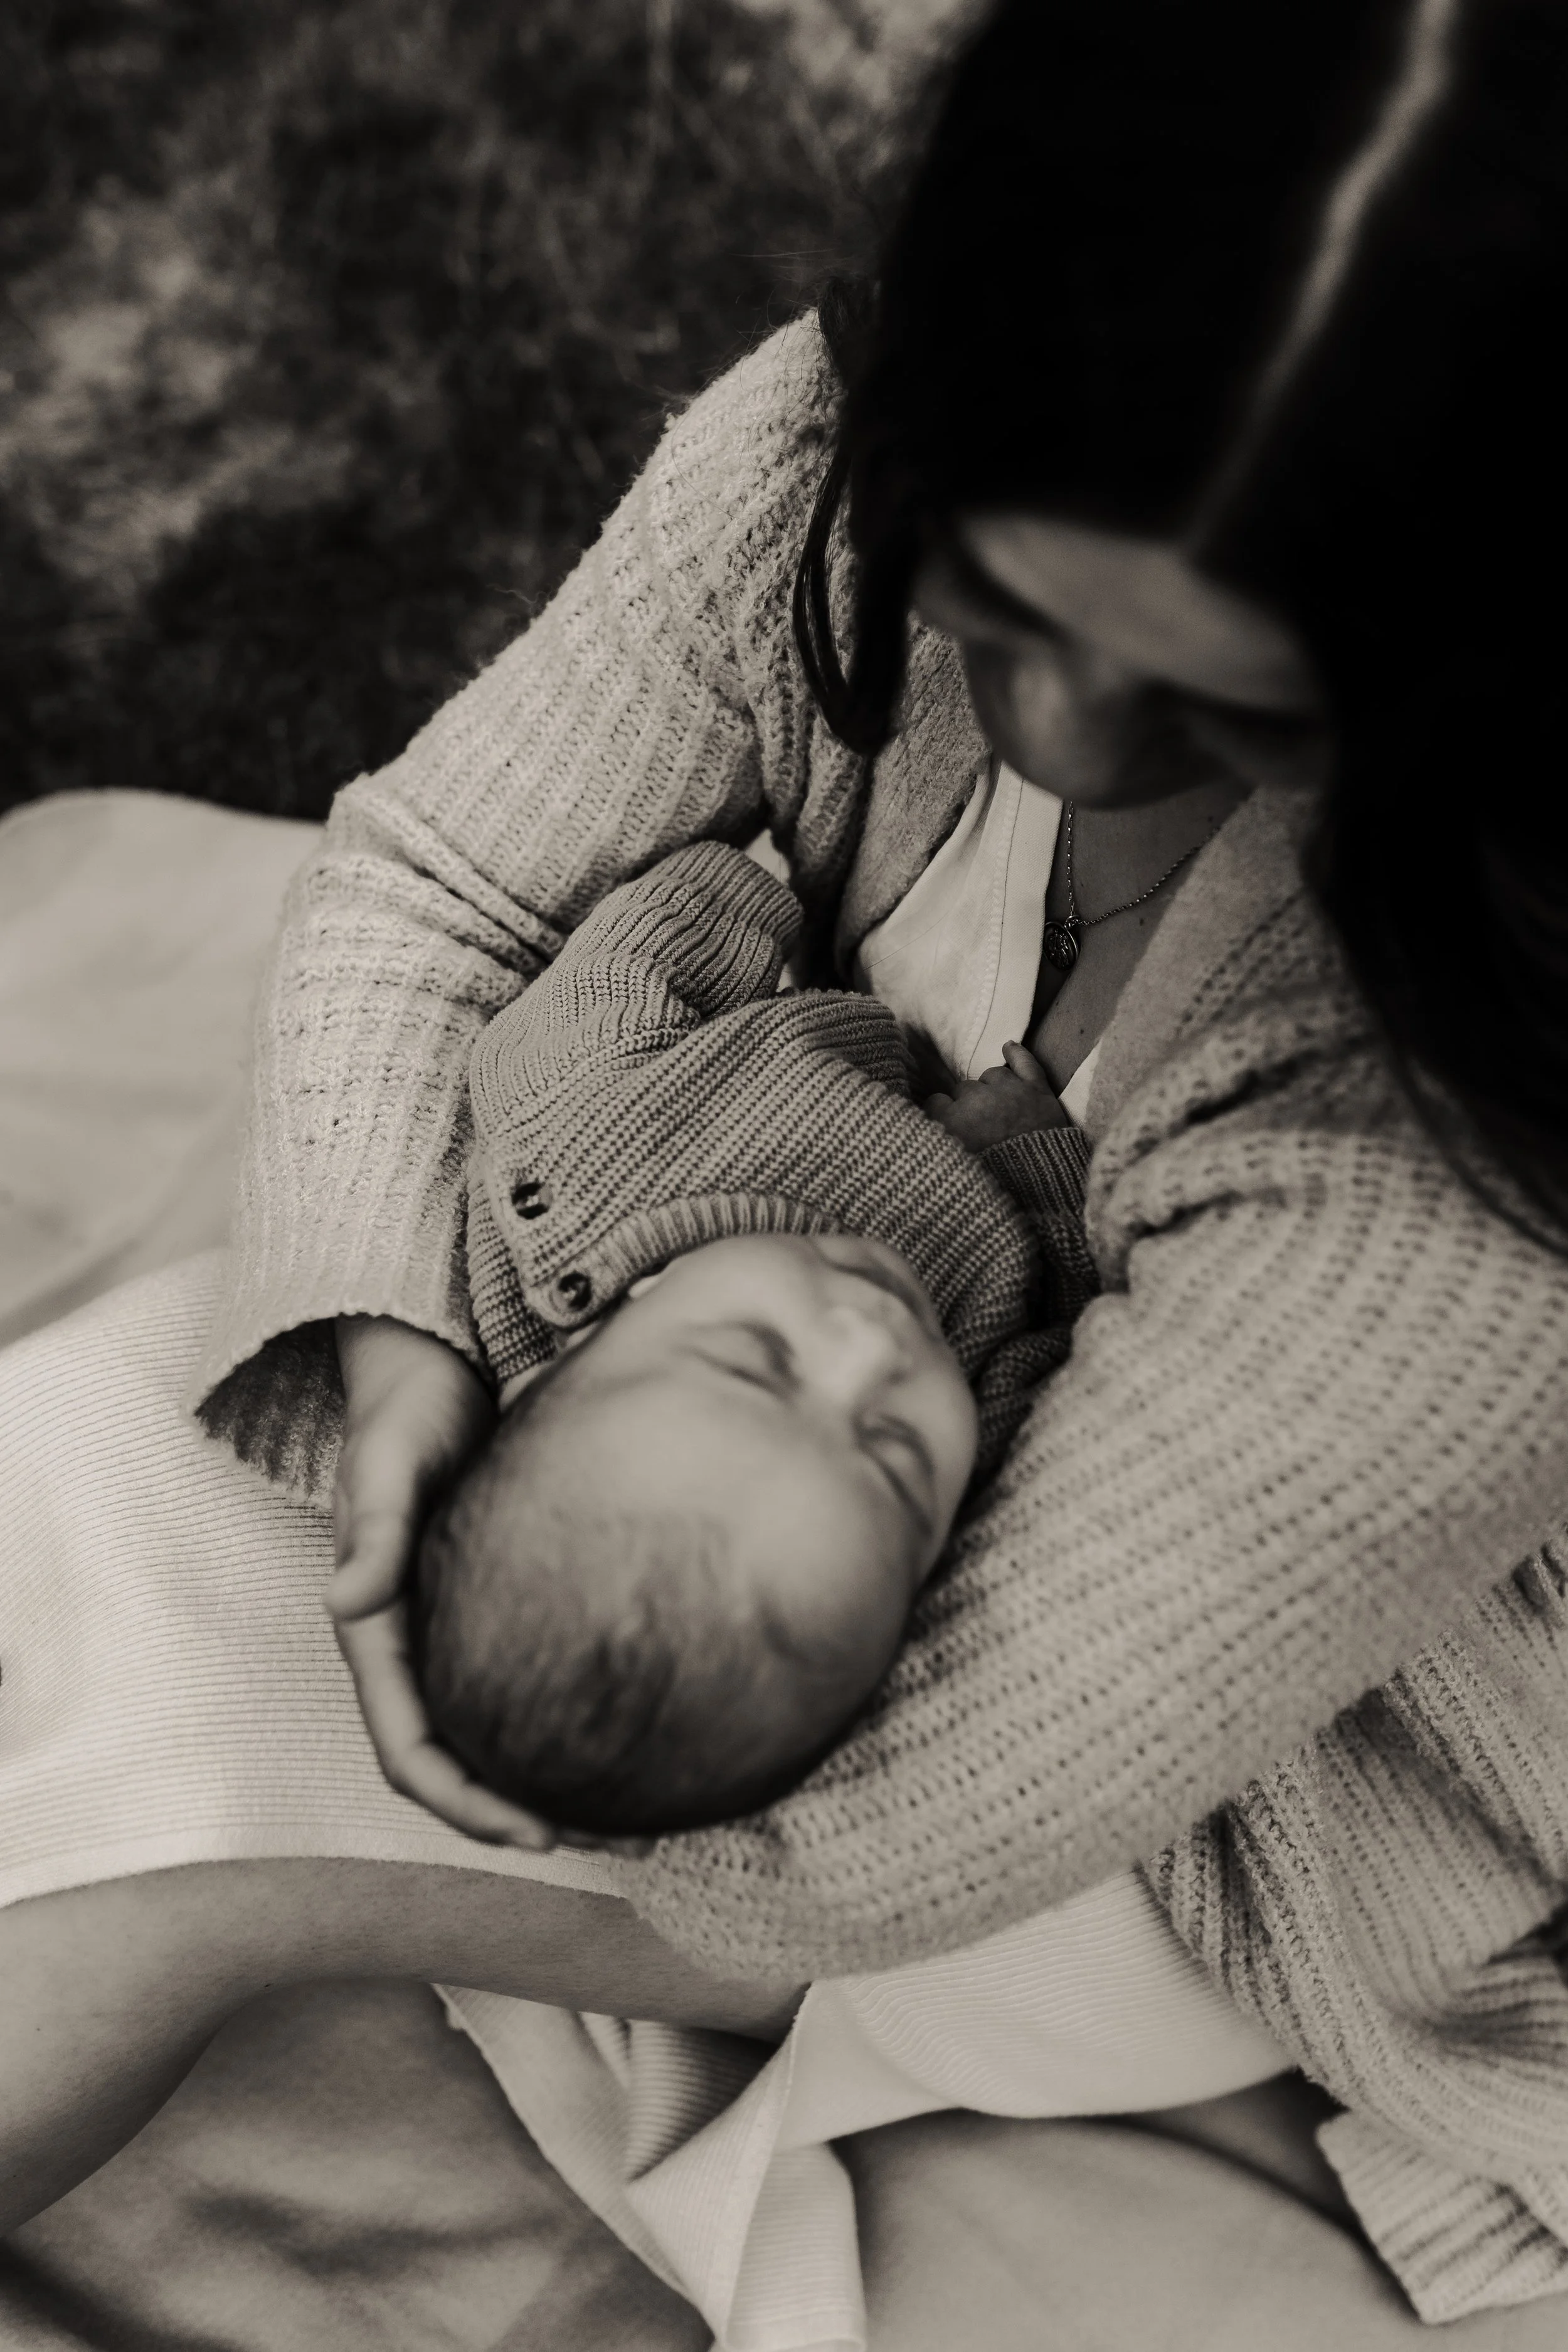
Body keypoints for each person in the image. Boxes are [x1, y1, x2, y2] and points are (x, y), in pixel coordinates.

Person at [5, 0, 1568, 2339]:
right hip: (704, 1451)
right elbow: (438, 884)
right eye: (1004, 602)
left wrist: (242, 1878)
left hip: (1202, 1812)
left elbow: (956, 1799)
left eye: (1241, 706)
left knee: (141, 1828)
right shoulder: (841, 442)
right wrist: (395, 1338)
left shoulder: (1474, 1137)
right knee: (100, 1464)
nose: (1062, 733)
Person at [418, 835, 1093, 1836]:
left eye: (759, 1359)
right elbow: (1063, 1308)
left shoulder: (574, 1142)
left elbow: (623, 969)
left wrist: (757, 909)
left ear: (589, 1342)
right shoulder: (987, 1436)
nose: (874, 1345)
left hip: (791, 1037)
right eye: (895, 1450)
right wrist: (1031, 1153)